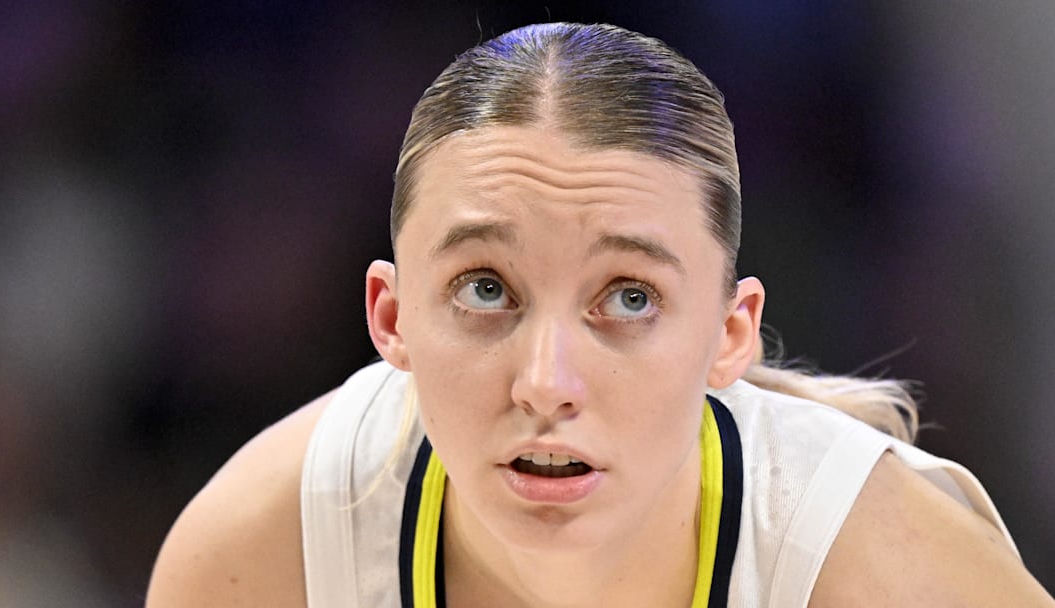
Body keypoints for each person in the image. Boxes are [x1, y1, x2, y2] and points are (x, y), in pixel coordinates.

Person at [146, 22, 1055, 607]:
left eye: (629, 299)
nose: (546, 384)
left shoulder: (892, 568)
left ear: (728, 335)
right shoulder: (260, 557)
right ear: (391, 319)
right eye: (485, 289)